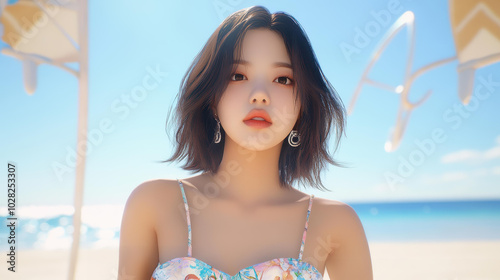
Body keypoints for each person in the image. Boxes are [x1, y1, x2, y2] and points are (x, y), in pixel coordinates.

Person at [118, 5, 373, 280]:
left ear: (303, 107)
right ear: (212, 98)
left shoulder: (336, 224)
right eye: (238, 75)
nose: (260, 95)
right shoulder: (154, 205)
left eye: (283, 79)